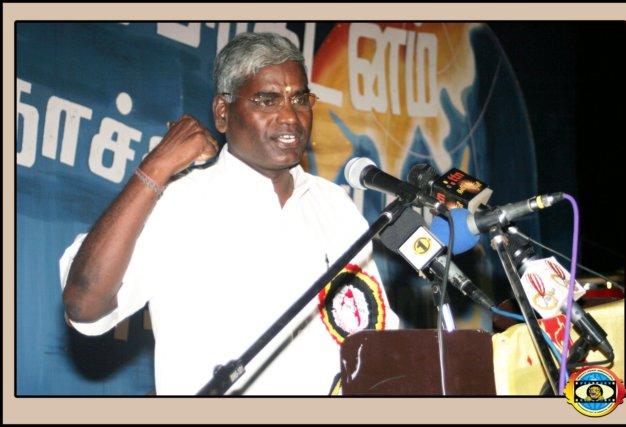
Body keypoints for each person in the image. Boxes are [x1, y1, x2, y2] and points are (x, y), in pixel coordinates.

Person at [60, 32, 399, 396]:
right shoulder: (180, 203)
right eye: (268, 100)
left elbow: (374, 341)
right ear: (223, 113)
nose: (291, 117)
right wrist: (155, 169)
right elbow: (84, 303)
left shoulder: (334, 205)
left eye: (300, 99)